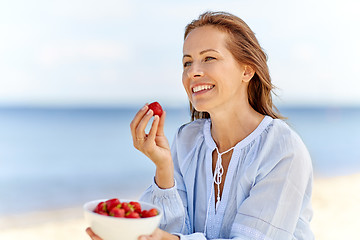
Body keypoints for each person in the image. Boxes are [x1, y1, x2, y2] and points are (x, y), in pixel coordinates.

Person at [86, 11, 314, 240]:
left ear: (247, 70)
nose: (192, 72)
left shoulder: (282, 149)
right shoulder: (187, 139)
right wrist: (164, 166)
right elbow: (168, 231)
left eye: (209, 58)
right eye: (187, 62)